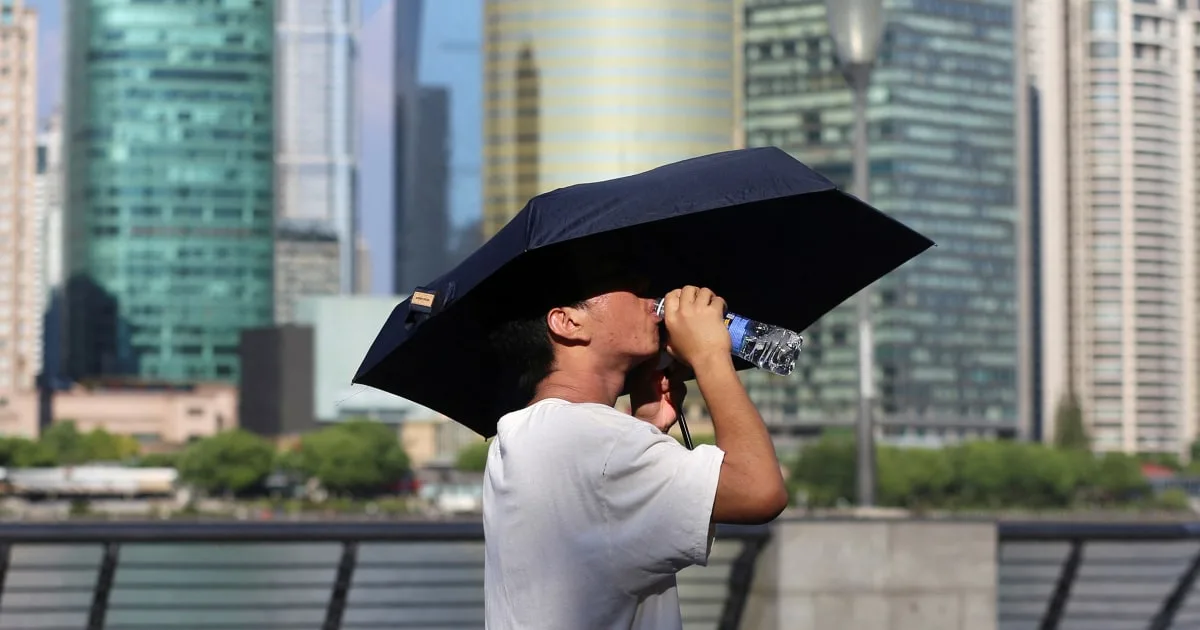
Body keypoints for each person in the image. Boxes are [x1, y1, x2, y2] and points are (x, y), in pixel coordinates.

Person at [481, 270, 789, 630]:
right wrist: (709, 355)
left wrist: (647, 427)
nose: (647, 290)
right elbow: (759, 490)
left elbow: (598, 537)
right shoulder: (595, 438)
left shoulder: (521, 436)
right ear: (568, 322)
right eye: (623, 281)